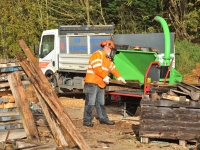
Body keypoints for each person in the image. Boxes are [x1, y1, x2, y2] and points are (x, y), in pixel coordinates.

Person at [83, 40, 126, 127]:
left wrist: (119, 77)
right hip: (92, 82)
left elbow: (113, 68)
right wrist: (105, 77)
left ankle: (103, 119)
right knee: (90, 103)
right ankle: (87, 120)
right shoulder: (97, 54)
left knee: (101, 103)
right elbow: (97, 68)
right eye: (111, 50)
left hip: (101, 83)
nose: (112, 52)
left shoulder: (107, 59)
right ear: (107, 48)